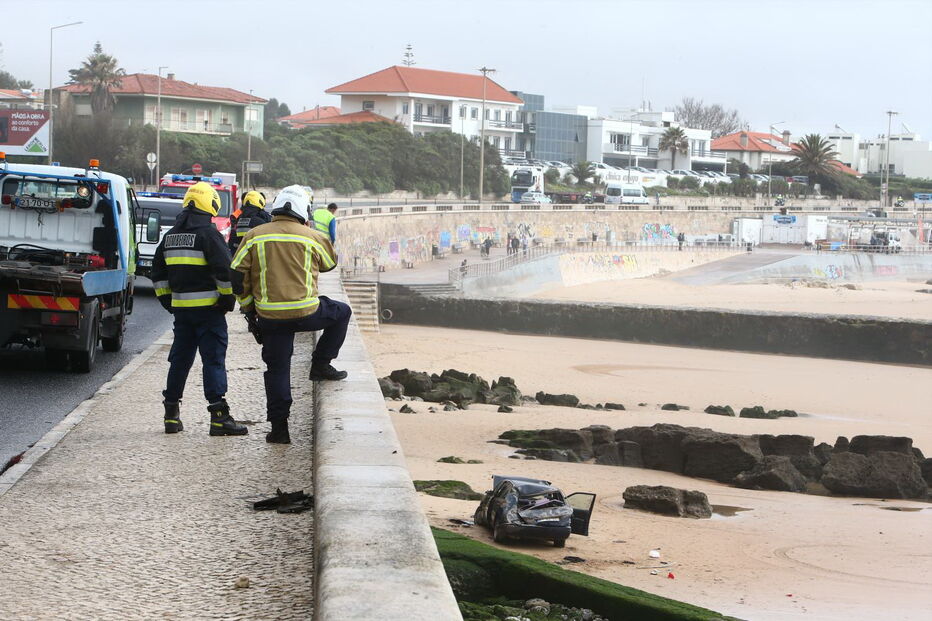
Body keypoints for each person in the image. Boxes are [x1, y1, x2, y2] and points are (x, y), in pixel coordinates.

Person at [231, 185, 352, 444]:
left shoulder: (254, 236)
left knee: (277, 369)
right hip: (307, 312)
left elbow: (237, 276)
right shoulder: (311, 236)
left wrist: (249, 309)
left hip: (270, 316)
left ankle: (279, 429)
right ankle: (321, 364)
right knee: (342, 312)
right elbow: (330, 264)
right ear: (303, 211)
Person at [151, 182, 247, 437]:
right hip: (209, 312)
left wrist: (169, 302)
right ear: (210, 204)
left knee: (179, 361)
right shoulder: (208, 234)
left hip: (182, 313)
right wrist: (227, 300)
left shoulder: (170, 236)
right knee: (213, 361)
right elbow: (225, 273)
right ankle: (219, 418)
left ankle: (171, 415)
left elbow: (157, 274)